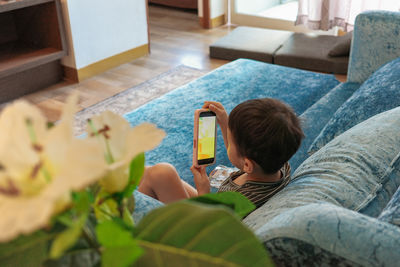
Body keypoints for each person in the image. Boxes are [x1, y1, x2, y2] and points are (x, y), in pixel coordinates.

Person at [138, 98, 304, 208]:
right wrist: (225, 123)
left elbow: (207, 228)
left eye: (230, 141)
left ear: (247, 164)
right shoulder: (280, 164)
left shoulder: (238, 202)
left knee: (161, 173)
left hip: (201, 223)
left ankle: (135, 210)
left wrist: (203, 191)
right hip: (215, 206)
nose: (228, 142)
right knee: (163, 174)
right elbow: (240, 155)